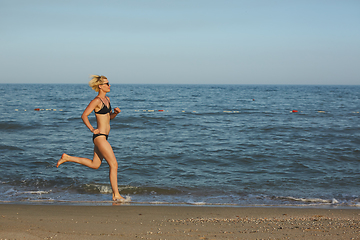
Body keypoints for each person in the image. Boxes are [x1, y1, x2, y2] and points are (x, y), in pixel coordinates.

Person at [57, 75, 128, 202]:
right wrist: (92, 129)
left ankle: (67, 158)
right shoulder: (96, 101)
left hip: (104, 136)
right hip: (99, 137)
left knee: (95, 165)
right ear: (100, 86)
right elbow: (84, 115)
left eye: (109, 83)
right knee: (114, 165)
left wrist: (115, 113)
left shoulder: (107, 99)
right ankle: (116, 194)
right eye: (107, 83)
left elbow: (108, 118)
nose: (109, 85)